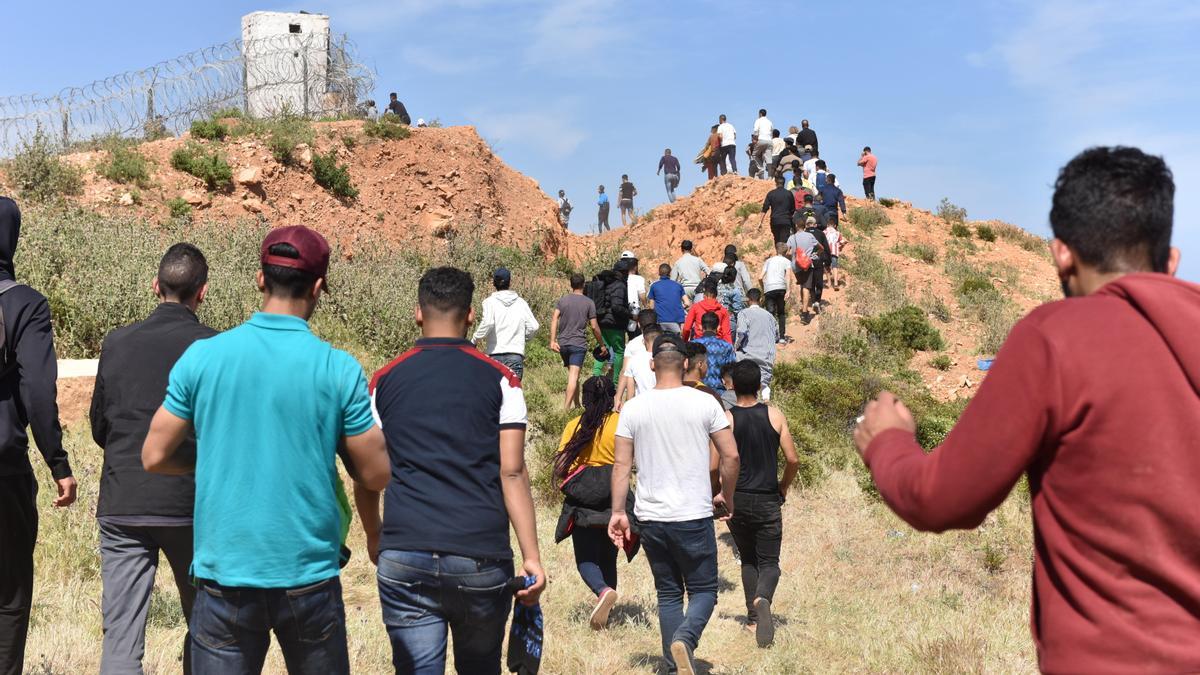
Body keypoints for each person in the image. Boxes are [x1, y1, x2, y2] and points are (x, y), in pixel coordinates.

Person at [854, 146, 1200, 672]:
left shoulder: (1056, 338)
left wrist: (889, 442)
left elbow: (943, 500)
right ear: (1169, 260)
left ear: (1062, 254)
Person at [142, 225, 391, 674]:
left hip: (224, 573)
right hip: (309, 573)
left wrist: (211, 453)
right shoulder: (338, 368)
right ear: (319, 287)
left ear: (260, 279)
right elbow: (375, 475)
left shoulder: (203, 357)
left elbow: (154, 455)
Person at [359, 266, 545, 673]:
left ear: (418, 314)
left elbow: (368, 472)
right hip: (480, 556)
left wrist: (375, 534)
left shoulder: (384, 380)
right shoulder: (503, 381)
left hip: (405, 551)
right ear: (471, 317)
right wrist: (531, 557)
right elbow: (512, 472)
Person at [90, 243, 216, 675]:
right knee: (208, 631)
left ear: (154, 286)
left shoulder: (117, 342)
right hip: (192, 507)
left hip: (124, 501)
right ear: (202, 292)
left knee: (121, 640)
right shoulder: (216, 347)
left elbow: (99, 429)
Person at [609, 334, 739, 675]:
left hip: (650, 517)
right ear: (685, 364)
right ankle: (686, 639)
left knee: (668, 594)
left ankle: (672, 666)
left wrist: (619, 512)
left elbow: (622, 466)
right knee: (705, 590)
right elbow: (731, 454)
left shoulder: (633, 408)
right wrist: (727, 494)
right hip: (693, 515)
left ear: (652, 365)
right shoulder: (705, 403)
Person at [0, 197, 77, 675]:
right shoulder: (25, 303)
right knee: (9, 595)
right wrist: (59, 463)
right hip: (3, 469)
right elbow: (38, 393)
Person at [724, 361, 799, 648]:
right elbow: (793, 459)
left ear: (732, 385)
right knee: (769, 562)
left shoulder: (727, 419)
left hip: (738, 499)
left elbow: (715, 463)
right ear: (758, 386)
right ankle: (763, 597)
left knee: (748, 558)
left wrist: (719, 492)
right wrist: (783, 486)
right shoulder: (775, 415)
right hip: (768, 499)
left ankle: (753, 619)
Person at [553, 376, 629, 630]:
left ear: (585, 398)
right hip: (614, 497)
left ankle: (602, 590)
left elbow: (562, 465)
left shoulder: (575, 425)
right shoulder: (621, 423)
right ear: (611, 397)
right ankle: (607, 607)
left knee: (585, 558)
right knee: (609, 557)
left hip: (583, 499)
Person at [550, 273, 608, 410]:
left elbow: (554, 319)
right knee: (573, 376)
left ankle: (577, 404)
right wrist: (602, 345)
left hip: (563, 344)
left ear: (571, 285)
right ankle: (565, 410)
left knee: (573, 375)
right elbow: (594, 326)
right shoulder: (589, 302)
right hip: (578, 344)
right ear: (583, 285)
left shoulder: (563, 300)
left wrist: (552, 340)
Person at [473, 267, 540, 380]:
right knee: (512, 395)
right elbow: (534, 327)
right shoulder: (521, 303)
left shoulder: (489, 302)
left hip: (494, 355)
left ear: (494, 283)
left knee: (495, 395)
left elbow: (488, 323)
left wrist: (474, 340)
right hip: (515, 356)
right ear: (510, 282)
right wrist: (523, 338)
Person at [589, 263, 631, 384]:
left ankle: (595, 375)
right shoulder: (619, 285)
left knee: (604, 349)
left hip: (601, 321)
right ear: (622, 273)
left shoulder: (605, 282)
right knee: (619, 351)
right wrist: (629, 314)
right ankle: (615, 381)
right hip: (615, 324)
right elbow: (617, 307)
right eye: (626, 272)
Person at [735, 289, 779, 397]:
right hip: (767, 357)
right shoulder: (770, 316)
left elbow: (742, 332)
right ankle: (766, 402)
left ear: (748, 300)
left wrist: (736, 346)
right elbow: (776, 336)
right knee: (765, 383)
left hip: (748, 355)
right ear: (760, 299)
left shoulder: (743, 313)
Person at [616, 323, 662, 409]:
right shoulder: (667, 359)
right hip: (661, 408)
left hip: (641, 408)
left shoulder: (633, 360)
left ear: (644, 341)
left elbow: (631, 393)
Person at [692, 312, 736, 392]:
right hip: (720, 393)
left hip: (697, 391)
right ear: (718, 327)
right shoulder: (727, 346)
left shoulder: (693, 345)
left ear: (700, 326)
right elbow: (731, 371)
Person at [759, 242, 793, 345]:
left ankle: (770, 336)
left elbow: (760, 277)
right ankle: (782, 337)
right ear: (786, 252)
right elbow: (787, 276)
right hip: (781, 288)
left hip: (769, 288)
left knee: (770, 313)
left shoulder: (768, 261)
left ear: (776, 250)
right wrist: (788, 290)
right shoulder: (786, 261)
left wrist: (764, 289)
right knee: (781, 313)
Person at [647, 264, 688, 334]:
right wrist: (681, 307)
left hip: (660, 321)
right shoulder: (678, 285)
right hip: (676, 322)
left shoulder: (654, 286)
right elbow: (687, 303)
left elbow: (651, 306)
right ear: (670, 273)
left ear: (659, 273)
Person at [682, 342, 726, 408]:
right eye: (706, 362)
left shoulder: (670, 390)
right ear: (700, 364)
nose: (707, 366)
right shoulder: (710, 395)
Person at [620, 251, 648, 335]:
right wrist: (645, 305)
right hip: (634, 311)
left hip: (621, 310)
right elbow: (642, 296)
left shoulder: (619, 277)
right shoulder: (639, 279)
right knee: (634, 335)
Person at [762, 176, 796, 245]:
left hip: (775, 220)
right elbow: (793, 209)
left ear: (776, 183)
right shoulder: (789, 193)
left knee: (777, 239)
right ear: (784, 183)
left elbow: (765, 208)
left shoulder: (771, 193)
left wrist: (760, 221)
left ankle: (778, 253)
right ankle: (783, 254)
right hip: (786, 220)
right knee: (785, 240)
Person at [716, 266, 746, 336]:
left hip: (715, 320)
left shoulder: (716, 287)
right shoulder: (735, 290)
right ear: (734, 277)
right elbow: (737, 309)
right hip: (728, 321)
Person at [825, 223, 849, 290]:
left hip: (826, 252)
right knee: (835, 266)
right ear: (835, 225)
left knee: (827, 266)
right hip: (834, 252)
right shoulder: (838, 233)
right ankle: (835, 283)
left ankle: (829, 283)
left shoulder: (824, 232)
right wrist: (843, 244)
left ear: (827, 225)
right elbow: (842, 242)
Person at [751, 109, 773, 179]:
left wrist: (755, 139)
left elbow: (756, 131)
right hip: (769, 141)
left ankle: (761, 168)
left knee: (754, 154)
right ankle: (770, 176)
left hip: (761, 139)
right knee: (769, 158)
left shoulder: (758, 120)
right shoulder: (770, 122)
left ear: (760, 114)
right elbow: (771, 132)